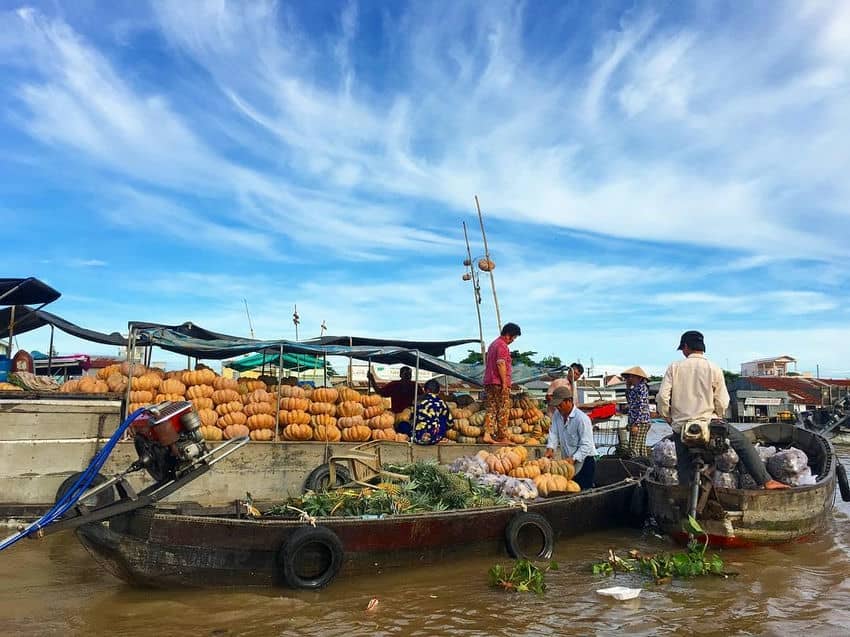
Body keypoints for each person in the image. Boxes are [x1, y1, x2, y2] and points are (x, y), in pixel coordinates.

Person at [657, 330, 787, 490]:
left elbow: (662, 397)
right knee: (743, 443)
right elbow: (723, 400)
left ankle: (685, 497)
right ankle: (766, 481)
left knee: (684, 464)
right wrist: (718, 415)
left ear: (685, 347)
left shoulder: (674, 367)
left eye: (682, 349)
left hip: (682, 427)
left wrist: (668, 417)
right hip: (710, 424)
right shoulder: (714, 368)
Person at [545, 386, 597, 490]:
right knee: (569, 491)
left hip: (585, 461)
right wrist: (550, 448)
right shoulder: (557, 415)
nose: (558, 408)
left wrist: (574, 458)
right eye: (556, 406)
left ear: (569, 401)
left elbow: (586, 445)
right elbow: (554, 433)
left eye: (560, 405)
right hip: (568, 462)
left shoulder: (582, 419)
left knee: (583, 492)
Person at [482, 322, 522, 444]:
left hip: (489, 382)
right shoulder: (502, 345)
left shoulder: (493, 344)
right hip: (498, 382)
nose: (513, 341)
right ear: (508, 335)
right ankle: (502, 436)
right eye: (513, 338)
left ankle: (487, 434)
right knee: (503, 409)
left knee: (492, 408)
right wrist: (504, 383)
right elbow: (501, 363)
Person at [622, 366, 652, 457]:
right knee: (641, 447)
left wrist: (636, 424)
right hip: (640, 421)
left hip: (639, 421)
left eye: (632, 377)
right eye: (629, 377)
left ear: (639, 378)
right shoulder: (636, 388)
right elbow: (630, 402)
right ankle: (643, 467)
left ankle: (635, 467)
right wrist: (628, 387)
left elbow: (641, 406)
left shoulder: (641, 388)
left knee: (633, 447)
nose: (630, 379)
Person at [411, 379, 452, 445]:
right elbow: (450, 423)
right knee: (443, 418)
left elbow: (412, 419)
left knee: (403, 425)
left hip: (418, 437)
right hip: (436, 438)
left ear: (425, 390)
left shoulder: (418, 402)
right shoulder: (442, 403)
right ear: (438, 391)